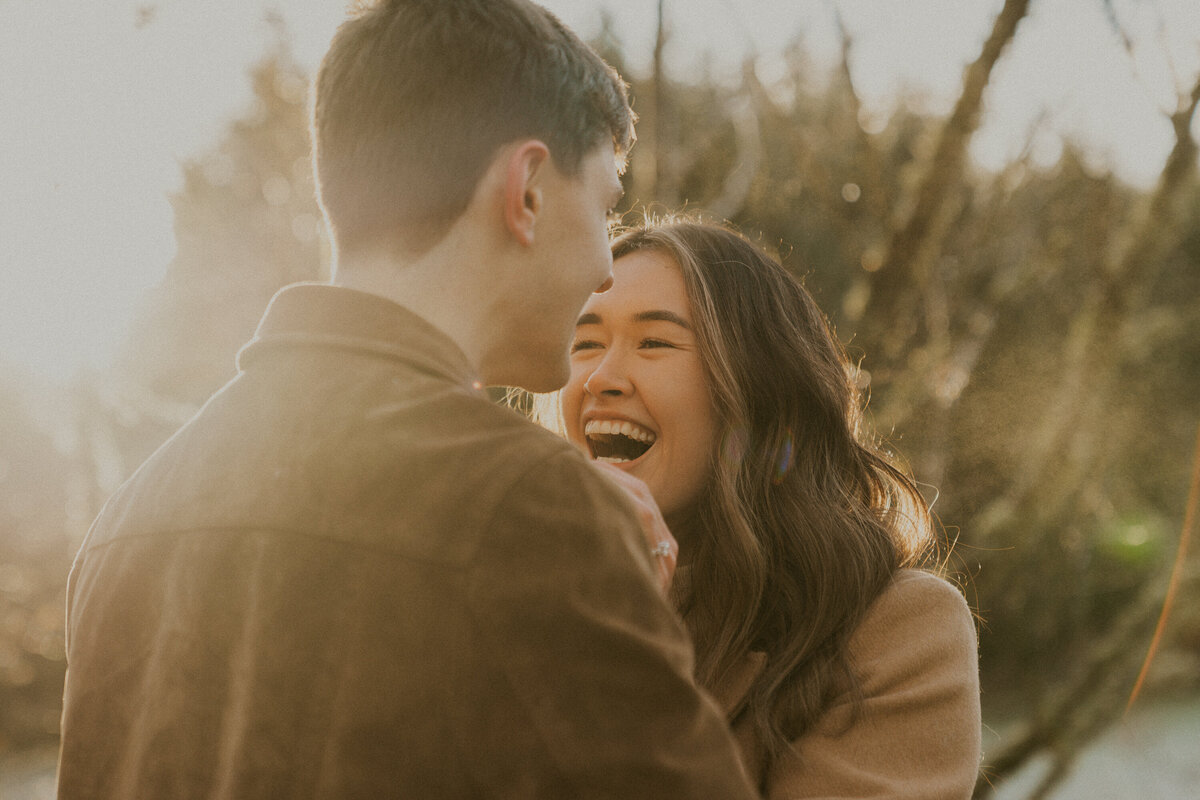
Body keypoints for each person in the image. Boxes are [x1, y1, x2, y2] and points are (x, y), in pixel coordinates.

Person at [56, 3, 759, 798]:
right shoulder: (532, 508)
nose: (604, 267)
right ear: (526, 189)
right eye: (604, 205)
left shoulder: (129, 521)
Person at [552, 217, 982, 798]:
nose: (601, 377)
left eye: (654, 342)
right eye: (584, 343)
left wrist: (636, 642)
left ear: (757, 397)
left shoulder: (897, 629)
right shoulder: (511, 596)